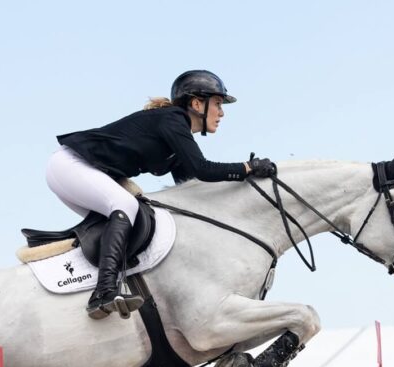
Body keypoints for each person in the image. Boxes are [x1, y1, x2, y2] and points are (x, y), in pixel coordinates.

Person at [46, 69, 277, 319]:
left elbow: (193, 189)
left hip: (82, 172)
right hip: (71, 165)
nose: (221, 113)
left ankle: (95, 287)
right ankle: (104, 293)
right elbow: (204, 169)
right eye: (218, 104)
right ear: (198, 103)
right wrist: (247, 168)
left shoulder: (177, 138)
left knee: (137, 221)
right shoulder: (173, 119)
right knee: (126, 205)